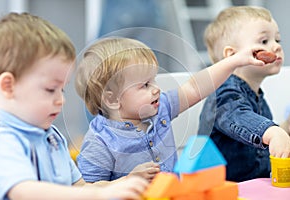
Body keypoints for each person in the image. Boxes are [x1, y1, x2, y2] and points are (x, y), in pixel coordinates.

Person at [0, 12, 148, 200]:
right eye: (50, 89)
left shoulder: (51, 136)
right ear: (8, 86)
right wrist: (101, 196)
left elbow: (78, 187)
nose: (61, 100)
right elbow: (25, 192)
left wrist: (121, 185)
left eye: (62, 90)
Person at [75, 37, 265, 185]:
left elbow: (194, 88)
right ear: (112, 99)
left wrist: (234, 61)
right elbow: (87, 190)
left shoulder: (160, 110)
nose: (156, 88)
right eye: (145, 85)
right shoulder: (99, 141)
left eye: (154, 80)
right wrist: (126, 181)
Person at [197, 6, 290, 182]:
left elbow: (261, 145)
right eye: (264, 41)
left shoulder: (256, 94)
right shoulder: (223, 93)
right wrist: (273, 132)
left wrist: (284, 128)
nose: (276, 46)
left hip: (256, 185)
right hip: (226, 190)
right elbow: (238, 116)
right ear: (232, 56)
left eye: (278, 39)